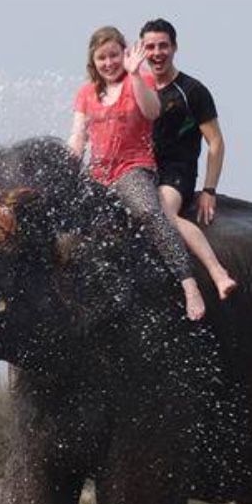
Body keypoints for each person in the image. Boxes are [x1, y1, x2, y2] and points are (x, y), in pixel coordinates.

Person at [68, 25, 212, 320]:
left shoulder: (141, 79)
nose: (109, 63)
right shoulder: (85, 93)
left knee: (149, 212)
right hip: (98, 174)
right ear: (93, 62)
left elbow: (152, 111)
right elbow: (78, 137)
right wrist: (67, 164)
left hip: (132, 168)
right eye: (102, 58)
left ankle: (188, 283)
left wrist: (133, 75)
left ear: (124, 54)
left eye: (114, 55)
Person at [139, 20, 235, 300]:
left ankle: (217, 273)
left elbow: (215, 142)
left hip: (176, 171)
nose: (157, 53)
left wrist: (209, 190)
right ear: (141, 50)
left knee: (162, 214)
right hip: (142, 169)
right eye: (150, 47)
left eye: (163, 46)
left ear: (174, 48)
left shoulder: (192, 91)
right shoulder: (137, 88)